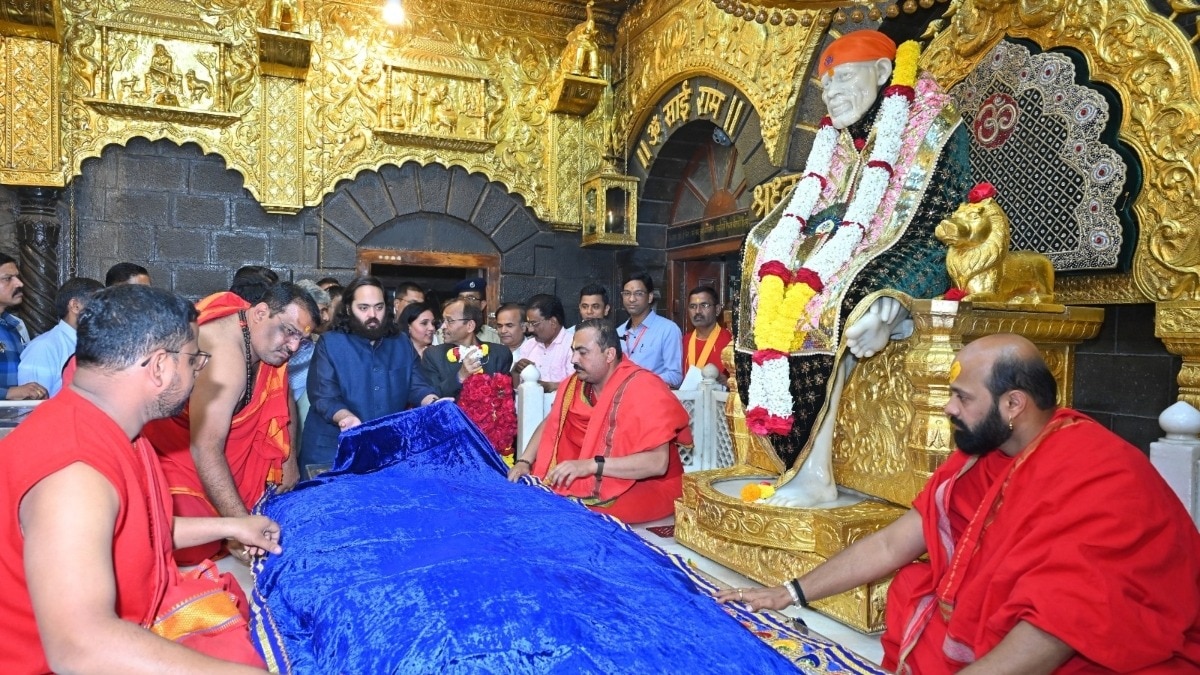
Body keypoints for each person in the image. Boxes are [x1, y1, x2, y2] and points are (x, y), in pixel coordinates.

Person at [719, 334, 1200, 673]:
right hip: (1011, 627)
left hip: (1087, 650)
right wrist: (788, 595)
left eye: (961, 397)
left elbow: (1058, 629)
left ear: (1014, 404)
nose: (948, 408)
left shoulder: (1099, 474)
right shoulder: (982, 456)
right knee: (914, 589)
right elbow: (892, 545)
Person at [740, 30, 975, 506]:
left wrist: (889, 297)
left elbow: (936, 219)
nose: (832, 93)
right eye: (826, 86)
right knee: (764, 269)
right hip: (844, 259)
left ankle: (815, 474)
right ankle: (785, 457)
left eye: (843, 77)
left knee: (842, 299)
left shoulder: (934, 124)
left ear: (885, 74)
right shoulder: (840, 142)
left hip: (919, 255)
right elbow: (815, 210)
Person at [0, 285, 281, 672]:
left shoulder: (119, 428)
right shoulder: (75, 475)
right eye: (194, 360)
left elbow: (140, 530)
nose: (199, 373)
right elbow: (81, 648)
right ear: (160, 366)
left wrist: (235, 525)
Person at [142, 282, 318, 565]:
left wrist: (288, 460)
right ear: (260, 313)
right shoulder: (225, 358)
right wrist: (241, 527)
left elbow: (281, 392)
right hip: (175, 455)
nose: (294, 347)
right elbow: (205, 448)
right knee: (187, 543)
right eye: (290, 332)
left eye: (302, 340)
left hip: (227, 453)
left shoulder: (260, 336)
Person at [508, 319, 690, 523]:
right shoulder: (575, 385)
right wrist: (524, 461)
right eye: (573, 351)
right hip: (588, 475)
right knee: (535, 499)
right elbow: (552, 422)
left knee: (574, 516)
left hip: (648, 484)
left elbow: (657, 464)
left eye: (582, 352)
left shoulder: (643, 387)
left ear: (609, 354)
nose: (573, 359)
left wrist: (591, 466)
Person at [302, 277, 439, 475]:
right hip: (332, 450)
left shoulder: (400, 342)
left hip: (382, 450)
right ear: (348, 309)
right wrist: (345, 417)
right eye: (364, 308)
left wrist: (435, 404)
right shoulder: (330, 343)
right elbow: (324, 396)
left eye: (379, 307)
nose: (372, 315)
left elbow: (417, 386)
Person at [18, 276, 103, 397]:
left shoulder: (96, 345)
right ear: (75, 306)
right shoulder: (44, 347)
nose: (105, 312)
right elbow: (33, 406)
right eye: (99, 305)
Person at [421, 297, 513, 399]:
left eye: (449, 321)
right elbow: (432, 397)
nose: (442, 326)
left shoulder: (500, 354)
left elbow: (506, 400)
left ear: (470, 325)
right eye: (443, 320)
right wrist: (459, 377)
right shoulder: (433, 355)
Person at [616, 272, 682, 388]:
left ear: (650, 297)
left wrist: (642, 381)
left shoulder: (668, 329)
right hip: (623, 400)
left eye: (638, 293)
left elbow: (675, 376)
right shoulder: (618, 332)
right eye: (627, 293)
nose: (631, 299)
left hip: (652, 398)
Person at [0, 253, 44, 401]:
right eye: (7, 278)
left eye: (17, 277)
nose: (19, 283)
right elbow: (13, 392)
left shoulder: (13, 326)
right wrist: (8, 393)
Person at [512, 294, 574, 391]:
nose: (530, 329)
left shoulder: (572, 345)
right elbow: (517, 389)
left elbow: (578, 386)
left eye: (534, 324)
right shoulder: (529, 345)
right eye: (528, 324)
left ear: (553, 322)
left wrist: (550, 387)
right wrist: (515, 371)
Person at [680, 285, 731, 387]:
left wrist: (729, 382)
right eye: (693, 306)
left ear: (717, 310)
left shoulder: (730, 341)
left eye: (704, 305)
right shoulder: (682, 341)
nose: (698, 311)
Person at [447, 277, 501, 344]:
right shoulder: (444, 334)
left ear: (482, 305)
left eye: (470, 298)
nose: (465, 302)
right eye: (461, 298)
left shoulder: (494, 337)